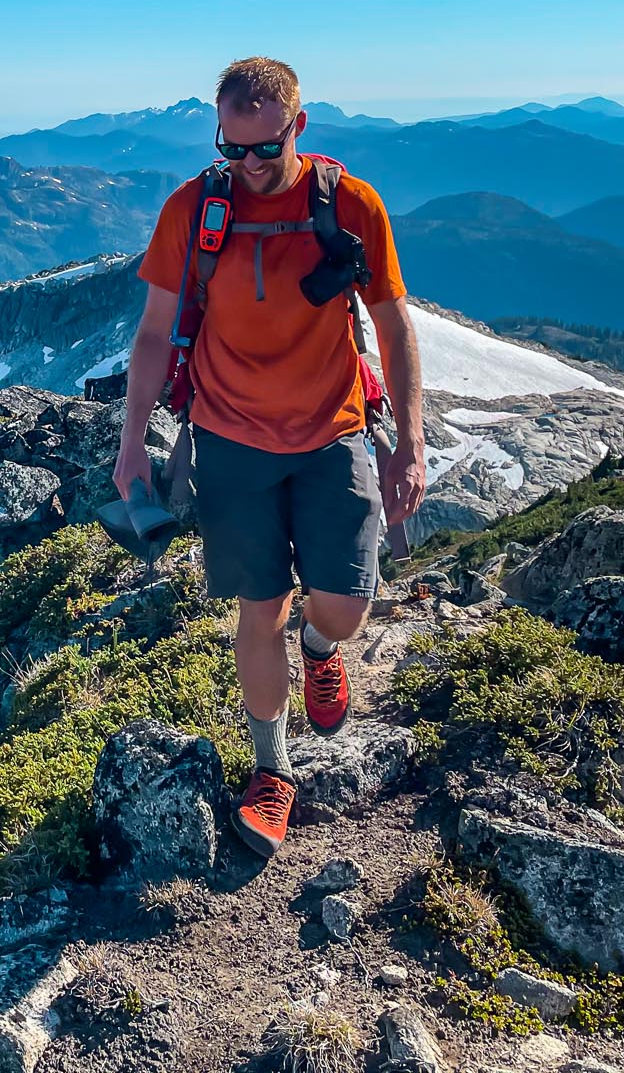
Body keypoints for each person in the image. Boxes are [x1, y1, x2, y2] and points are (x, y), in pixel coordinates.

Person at [111, 56, 426, 857]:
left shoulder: (349, 206)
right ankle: (273, 770)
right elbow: (154, 331)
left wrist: (411, 442)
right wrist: (131, 443)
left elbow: (392, 325)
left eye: (265, 147)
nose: (249, 166)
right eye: (232, 148)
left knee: (344, 607)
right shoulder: (195, 210)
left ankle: (322, 651)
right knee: (260, 609)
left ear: (300, 127)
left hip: (333, 432)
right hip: (229, 438)